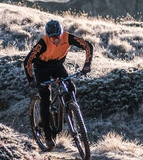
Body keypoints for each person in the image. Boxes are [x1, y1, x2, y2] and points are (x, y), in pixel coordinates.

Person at [24, 19, 93, 149]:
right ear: (48, 36)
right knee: (45, 98)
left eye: (58, 36)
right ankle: (48, 136)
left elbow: (88, 46)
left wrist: (87, 65)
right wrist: (31, 80)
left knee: (70, 88)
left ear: (61, 33)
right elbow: (28, 61)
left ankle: (68, 109)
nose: (56, 39)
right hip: (41, 68)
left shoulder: (67, 37)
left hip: (57, 65)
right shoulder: (43, 43)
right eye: (53, 37)